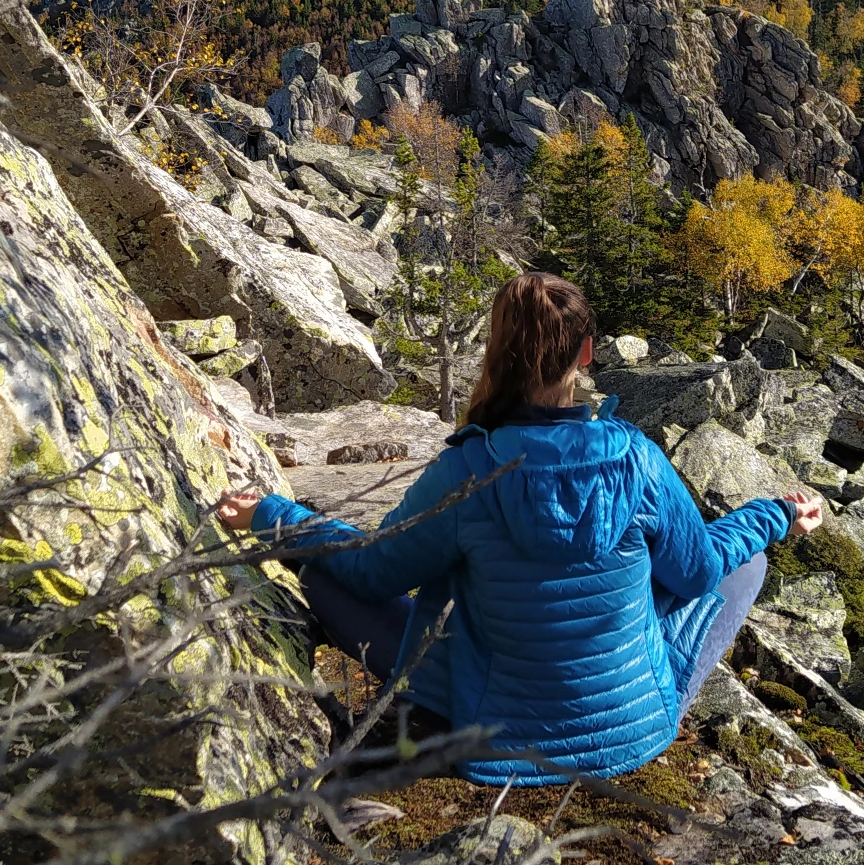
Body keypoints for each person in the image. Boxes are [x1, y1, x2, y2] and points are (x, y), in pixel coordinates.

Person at [215, 271, 824, 785]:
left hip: (497, 740)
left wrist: (273, 517)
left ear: (494, 353)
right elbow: (695, 576)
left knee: (321, 574)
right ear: (586, 353)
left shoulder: (466, 468)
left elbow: (371, 569)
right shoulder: (635, 457)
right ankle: (630, 689)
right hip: (636, 733)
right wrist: (774, 513)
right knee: (747, 560)